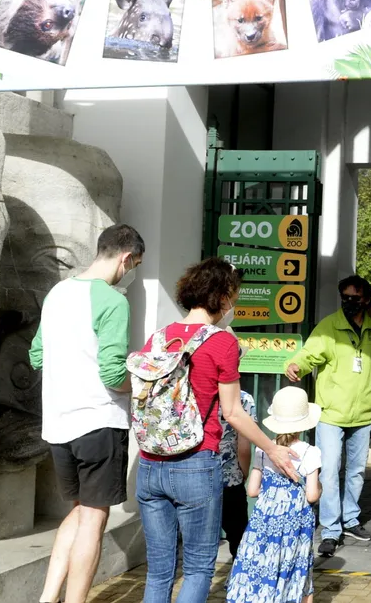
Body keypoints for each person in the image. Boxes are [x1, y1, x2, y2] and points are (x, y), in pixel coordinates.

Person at [135, 258, 298, 603]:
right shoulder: (222, 343)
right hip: (196, 462)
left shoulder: (158, 338)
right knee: (196, 569)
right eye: (233, 298)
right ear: (222, 298)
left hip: (150, 463)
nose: (233, 306)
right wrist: (272, 448)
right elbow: (233, 412)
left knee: (159, 570)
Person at [31, 224, 143, 603]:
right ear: (126, 258)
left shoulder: (57, 293)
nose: (131, 271)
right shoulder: (113, 301)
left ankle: (48, 598)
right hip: (99, 421)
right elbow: (113, 374)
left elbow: (36, 354)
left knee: (79, 512)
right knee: (94, 519)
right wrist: (143, 382)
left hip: (58, 422)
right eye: (135, 264)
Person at [284, 275, 371, 555]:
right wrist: (295, 365)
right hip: (331, 415)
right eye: (345, 297)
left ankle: (351, 519)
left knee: (356, 472)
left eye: (354, 298)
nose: (349, 302)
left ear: (366, 299)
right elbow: (308, 354)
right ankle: (331, 530)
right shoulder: (329, 327)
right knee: (329, 472)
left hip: (363, 415)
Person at [226, 385, 324, 603]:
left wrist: (273, 495)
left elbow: (252, 491)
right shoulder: (311, 453)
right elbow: (311, 496)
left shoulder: (263, 450)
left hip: (264, 519)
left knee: (262, 564)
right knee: (298, 567)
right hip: (295, 524)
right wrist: (319, 488)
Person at [218, 386, 258, 559]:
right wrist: (243, 471)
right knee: (238, 536)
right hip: (231, 478)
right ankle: (239, 578)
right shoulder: (242, 398)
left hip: (198, 476)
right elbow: (243, 444)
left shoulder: (196, 392)